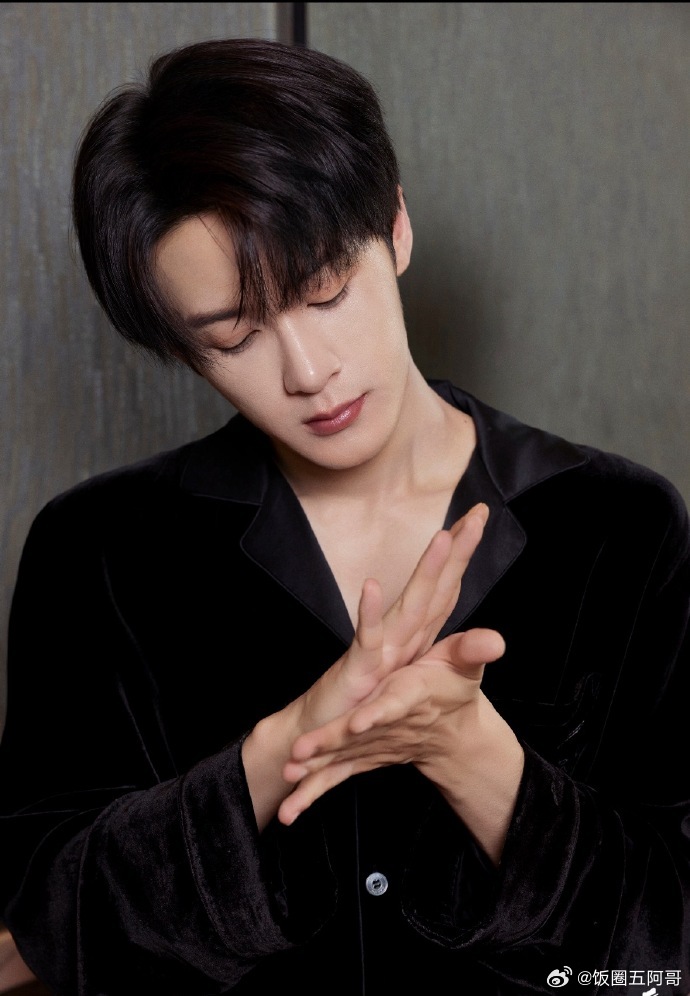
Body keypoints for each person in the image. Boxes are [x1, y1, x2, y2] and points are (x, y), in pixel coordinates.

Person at [0, 36, 688, 996]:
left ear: (395, 228)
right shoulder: (100, 552)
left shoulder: (618, 525)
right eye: (234, 337)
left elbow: (665, 958)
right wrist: (282, 750)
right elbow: (41, 934)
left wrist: (471, 755)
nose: (307, 373)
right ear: (180, 348)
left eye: (325, 291)